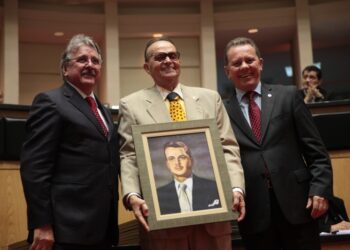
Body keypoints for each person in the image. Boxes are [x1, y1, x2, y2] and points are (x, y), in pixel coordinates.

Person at [118, 37, 246, 250]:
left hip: (212, 221)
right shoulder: (131, 105)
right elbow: (129, 155)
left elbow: (228, 146)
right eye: (160, 57)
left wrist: (235, 188)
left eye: (173, 55)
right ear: (146, 67)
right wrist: (132, 195)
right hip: (163, 224)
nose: (168, 60)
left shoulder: (210, 98)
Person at [223, 37, 333, 250]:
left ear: (260, 64)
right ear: (228, 71)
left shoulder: (288, 95)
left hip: (300, 206)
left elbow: (316, 152)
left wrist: (320, 189)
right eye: (237, 63)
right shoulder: (222, 110)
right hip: (253, 212)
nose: (244, 66)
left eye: (249, 60)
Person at [20, 34, 119, 250]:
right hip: (65, 230)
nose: (90, 65)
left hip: (100, 228)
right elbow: (35, 168)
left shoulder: (100, 108)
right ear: (65, 68)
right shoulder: (50, 102)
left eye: (95, 61)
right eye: (82, 59)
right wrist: (42, 224)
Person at [157, 141, 221, 215]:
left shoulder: (214, 187)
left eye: (182, 157)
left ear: (191, 161)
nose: (177, 162)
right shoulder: (159, 195)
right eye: (171, 158)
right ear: (167, 164)